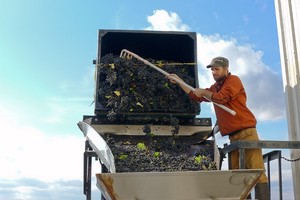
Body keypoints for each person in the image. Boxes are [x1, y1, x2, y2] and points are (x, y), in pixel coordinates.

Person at [168, 56, 270, 200]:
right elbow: (196, 96)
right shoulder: (215, 88)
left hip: (247, 133)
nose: (214, 72)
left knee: (256, 169)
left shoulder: (233, 80)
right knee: (236, 176)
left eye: (217, 69)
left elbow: (222, 98)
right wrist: (180, 82)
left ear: (226, 68)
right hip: (233, 137)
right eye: (212, 70)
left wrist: (203, 92)